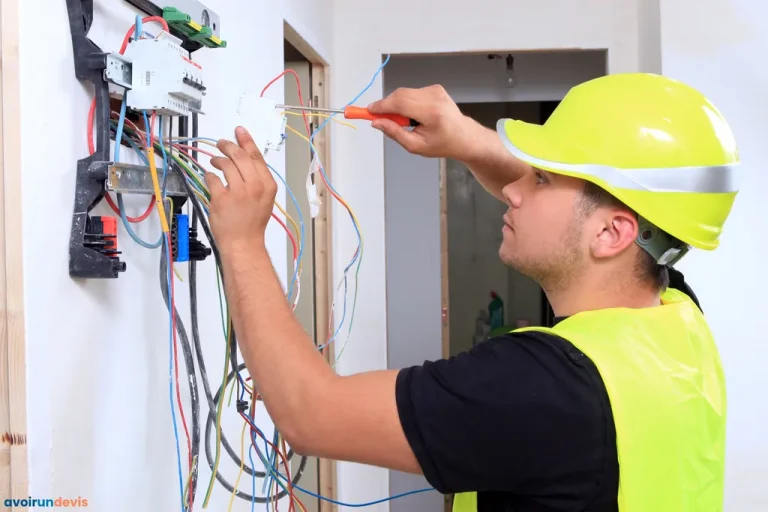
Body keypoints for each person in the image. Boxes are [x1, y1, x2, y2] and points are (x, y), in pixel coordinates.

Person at [205, 72, 739, 511]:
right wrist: (462, 135)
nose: (512, 187)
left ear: (612, 234)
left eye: (542, 179)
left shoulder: (543, 385)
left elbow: (310, 413)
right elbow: (598, 207)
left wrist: (243, 239)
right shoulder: (675, 318)